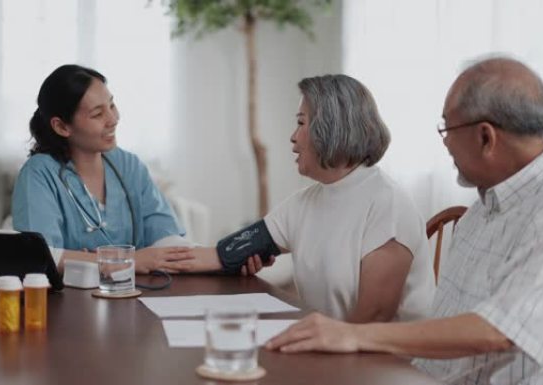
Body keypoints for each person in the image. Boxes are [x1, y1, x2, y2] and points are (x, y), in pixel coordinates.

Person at [265, 56, 543, 384]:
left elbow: (497, 332)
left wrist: (352, 335)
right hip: (421, 376)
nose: (444, 143)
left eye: (447, 128)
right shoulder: (486, 205)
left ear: (485, 137)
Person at [171, 75, 436, 322]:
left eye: (300, 123)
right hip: (332, 350)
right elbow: (224, 254)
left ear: (330, 128)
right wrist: (142, 263)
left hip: (391, 365)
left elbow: (372, 323)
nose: (293, 137)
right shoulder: (305, 203)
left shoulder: (389, 206)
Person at [12, 64, 194, 274]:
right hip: (71, 301)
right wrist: (129, 260)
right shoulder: (39, 173)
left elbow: (168, 241)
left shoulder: (128, 165)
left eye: (112, 105)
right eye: (98, 114)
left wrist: (230, 258)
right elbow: (41, 255)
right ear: (62, 126)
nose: (113, 119)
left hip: (132, 295)